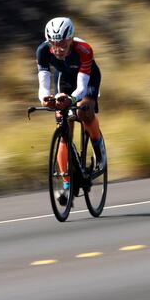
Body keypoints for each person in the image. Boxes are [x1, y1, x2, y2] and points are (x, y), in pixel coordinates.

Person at [36, 17, 106, 200]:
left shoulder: (83, 49)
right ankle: (67, 184)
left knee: (83, 109)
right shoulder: (42, 51)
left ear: (71, 39)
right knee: (63, 124)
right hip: (65, 79)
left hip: (88, 78)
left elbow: (82, 87)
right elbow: (43, 84)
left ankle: (99, 148)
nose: (58, 48)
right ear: (48, 41)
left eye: (63, 43)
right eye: (54, 43)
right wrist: (46, 99)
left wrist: (72, 99)